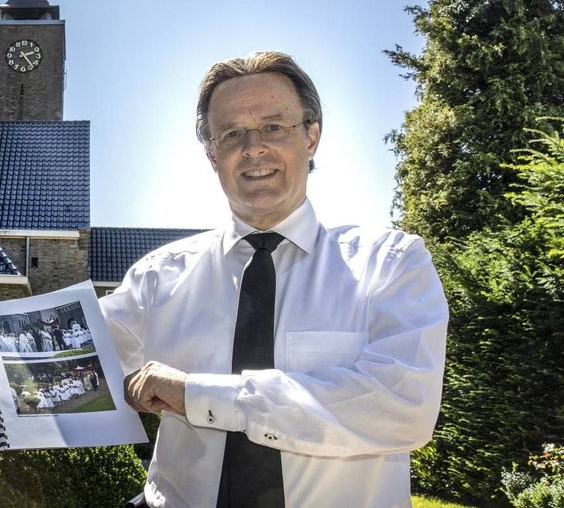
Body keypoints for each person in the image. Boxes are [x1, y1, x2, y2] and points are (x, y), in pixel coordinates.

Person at [100, 52, 448, 507]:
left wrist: (198, 395)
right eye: (231, 134)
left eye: (274, 127)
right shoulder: (154, 279)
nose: (253, 147)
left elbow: (402, 407)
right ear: (212, 155)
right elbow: (63, 358)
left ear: (311, 137)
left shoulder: (392, 264)